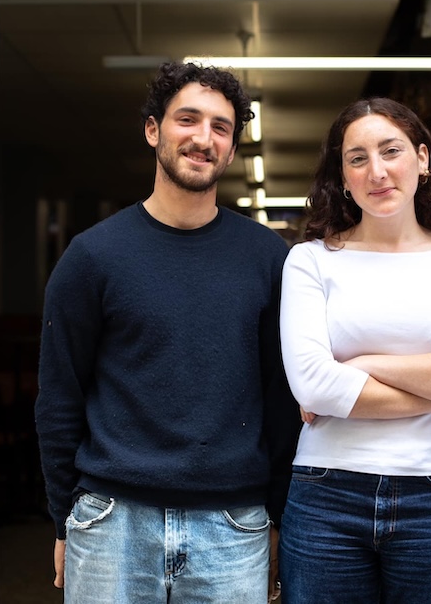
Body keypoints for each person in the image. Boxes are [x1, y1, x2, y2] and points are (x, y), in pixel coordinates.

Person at [35, 62, 299, 604]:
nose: (203, 138)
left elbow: (282, 401)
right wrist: (64, 519)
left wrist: (279, 518)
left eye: (221, 128)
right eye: (188, 119)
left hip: (234, 526)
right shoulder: (92, 257)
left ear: (230, 149)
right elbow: (59, 398)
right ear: (153, 130)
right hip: (111, 524)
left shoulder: (270, 259)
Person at [277, 97, 431, 603]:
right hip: (327, 493)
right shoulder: (310, 262)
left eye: (391, 150)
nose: (377, 171)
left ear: (423, 160)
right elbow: (313, 383)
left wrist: (362, 366)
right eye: (357, 158)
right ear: (342, 176)